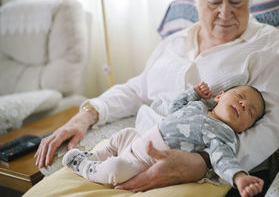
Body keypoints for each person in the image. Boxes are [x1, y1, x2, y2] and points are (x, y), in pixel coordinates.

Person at [34, 0, 279, 195]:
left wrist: (202, 163)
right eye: (213, 1)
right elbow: (137, 89)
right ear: (196, 2)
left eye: (236, 0)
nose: (225, 12)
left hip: (206, 171)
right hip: (135, 147)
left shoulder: (276, 50)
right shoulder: (174, 42)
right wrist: (86, 115)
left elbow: (272, 128)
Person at [62, 82, 265, 197]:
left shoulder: (224, 135)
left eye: (252, 111)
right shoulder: (198, 106)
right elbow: (174, 109)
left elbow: (223, 159)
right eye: (239, 95)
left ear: (246, 127)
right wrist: (193, 93)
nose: (243, 104)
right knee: (125, 133)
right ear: (219, 96)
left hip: (145, 164)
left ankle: (84, 166)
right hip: (139, 141)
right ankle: (97, 154)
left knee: (115, 169)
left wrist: (239, 177)